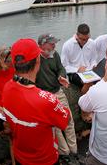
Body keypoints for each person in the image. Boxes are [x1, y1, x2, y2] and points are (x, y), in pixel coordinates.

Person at [2, 38, 70, 165]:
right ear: (38, 61)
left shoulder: (7, 88)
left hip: (20, 156)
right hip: (45, 159)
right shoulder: (46, 100)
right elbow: (65, 120)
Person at [35, 34, 79, 164]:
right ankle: (64, 153)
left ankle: (74, 151)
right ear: (42, 44)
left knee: (68, 119)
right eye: (51, 43)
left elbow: (60, 68)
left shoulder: (55, 55)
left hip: (57, 91)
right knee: (56, 126)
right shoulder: (35, 59)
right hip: (45, 95)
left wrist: (61, 76)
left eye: (54, 43)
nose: (54, 46)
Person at [61, 23, 97, 94]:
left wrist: (94, 65)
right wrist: (77, 69)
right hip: (74, 73)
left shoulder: (92, 43)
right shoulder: (67, 45)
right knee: (88, 82)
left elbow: (93, 59)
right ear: (77, 35)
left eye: (87, 39)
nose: (85, 42)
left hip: (89, 71)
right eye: (82, 39)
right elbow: (64, 65)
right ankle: (83, 100)